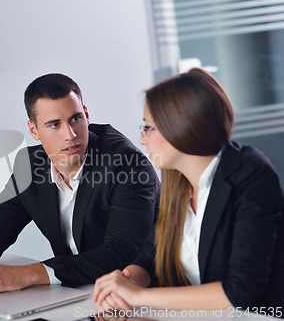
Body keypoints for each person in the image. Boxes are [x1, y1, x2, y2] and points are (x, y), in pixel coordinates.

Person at [0, 73, 160, 297]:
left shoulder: (126, 164)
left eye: (76, 119)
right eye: (54, 124)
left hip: (143, 296)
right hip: (75, 295)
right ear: (34, 130)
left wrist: (25, 275)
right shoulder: (30, 166)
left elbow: (121, 253)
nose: (69, 135)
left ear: (87, 115)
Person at [93, 68, 284, 312]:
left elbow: (238, 293)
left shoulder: (251, 174)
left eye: (148, 128)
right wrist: (125, 281)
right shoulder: (177, 180)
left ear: (180, 126)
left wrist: (138, 296)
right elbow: (151, 256)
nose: (142, 139)